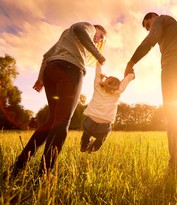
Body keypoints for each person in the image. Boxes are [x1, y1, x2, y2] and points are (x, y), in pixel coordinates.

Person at [3, 22, 107, 179]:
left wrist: (40, 78)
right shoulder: (88, 27)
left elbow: (46, 56)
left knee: (52, 121)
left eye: (100, 40)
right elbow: (79, 29)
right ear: (96, 29)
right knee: (63, 122)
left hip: (52, 71)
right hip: (70, 71)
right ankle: (45, 173)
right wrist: (98, 55)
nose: (98, 40)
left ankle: (17, 167)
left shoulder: (66, 35)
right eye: (100, 36)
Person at [124, 12, 177, 172]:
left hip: (172, 67)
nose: (149, 29)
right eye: (148, 27)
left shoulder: (161, 19)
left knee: (174, 115)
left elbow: (150, 40)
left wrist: (131, 62)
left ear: (154, 17)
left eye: (149, 25)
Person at [80, 63, 134, 153]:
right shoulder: (117, 92)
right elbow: (126, 81)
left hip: (89, 123)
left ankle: (84, 145)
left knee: (86, 132)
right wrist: (131, 74)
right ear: (118, 85)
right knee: (103, 136)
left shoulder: (97, 87)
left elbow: (97, 74)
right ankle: (94, 147)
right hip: (103, 127)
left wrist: (99, 63)